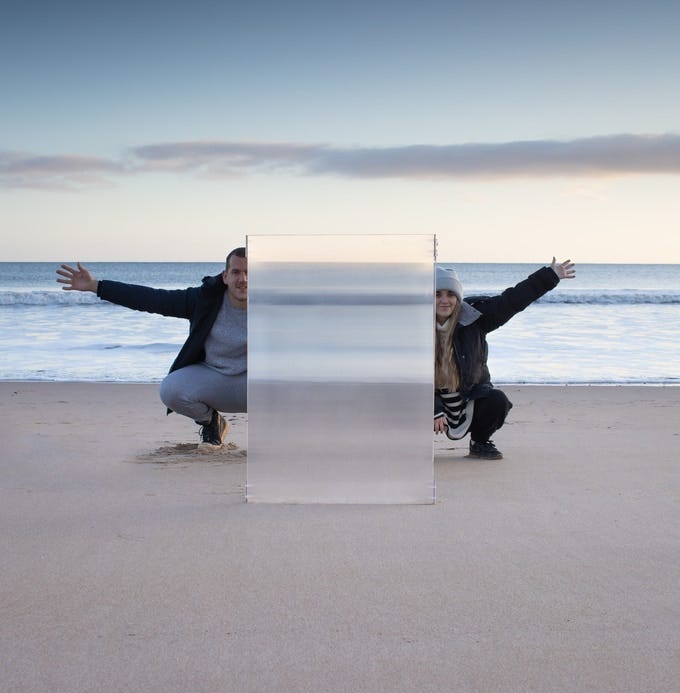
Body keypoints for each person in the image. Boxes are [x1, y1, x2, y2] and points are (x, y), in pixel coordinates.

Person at [56, 247, 247, 451]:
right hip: (214, 377)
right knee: (171, 390)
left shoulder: (277, 306)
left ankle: (280, 435)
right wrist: (97, 286)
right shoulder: (204, 300)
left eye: (249, 273)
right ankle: (211, 423)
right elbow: (152, 299)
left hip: (255, 383)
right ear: (225, 276)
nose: (243, 279)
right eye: (236, 272)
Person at [434, 257, 575, 459]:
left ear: (458, 297)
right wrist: (434, 409)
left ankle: (480, 442)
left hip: (468, 398)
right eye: (437, 294)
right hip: (428, 402)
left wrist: (549, 276)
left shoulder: (475, 319)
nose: (444, 300)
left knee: (497, 401)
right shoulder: (417, 328)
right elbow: (409, 379)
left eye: (450, 294)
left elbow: (511, 301)